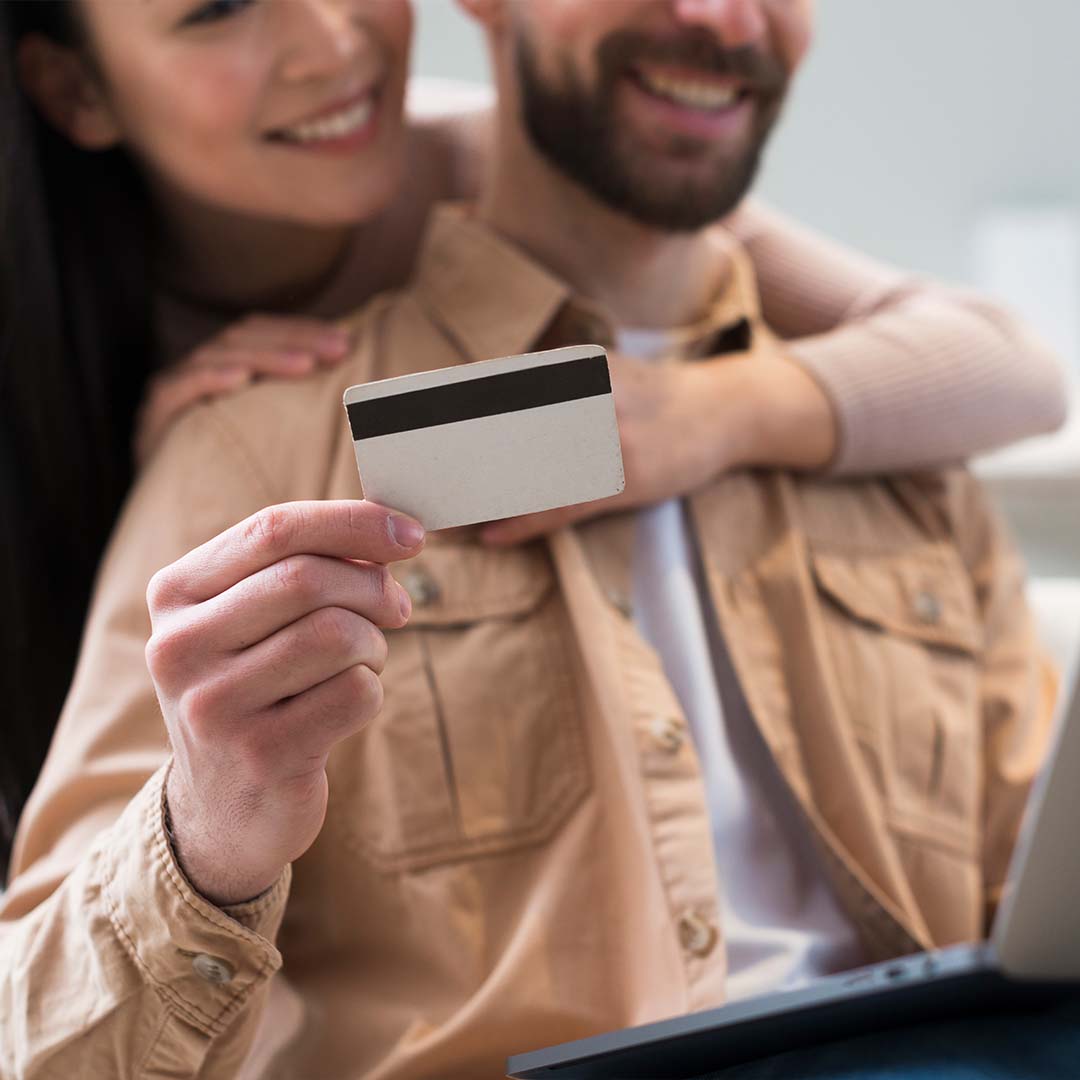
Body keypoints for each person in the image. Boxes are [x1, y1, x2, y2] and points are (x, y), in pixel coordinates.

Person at [0, 2, 1069, 1078]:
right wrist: (204, 838)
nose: (716, 13)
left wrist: (717, 414)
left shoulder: (893, 445)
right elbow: (36, 1044)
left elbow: (1017, 365)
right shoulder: (251, 444)